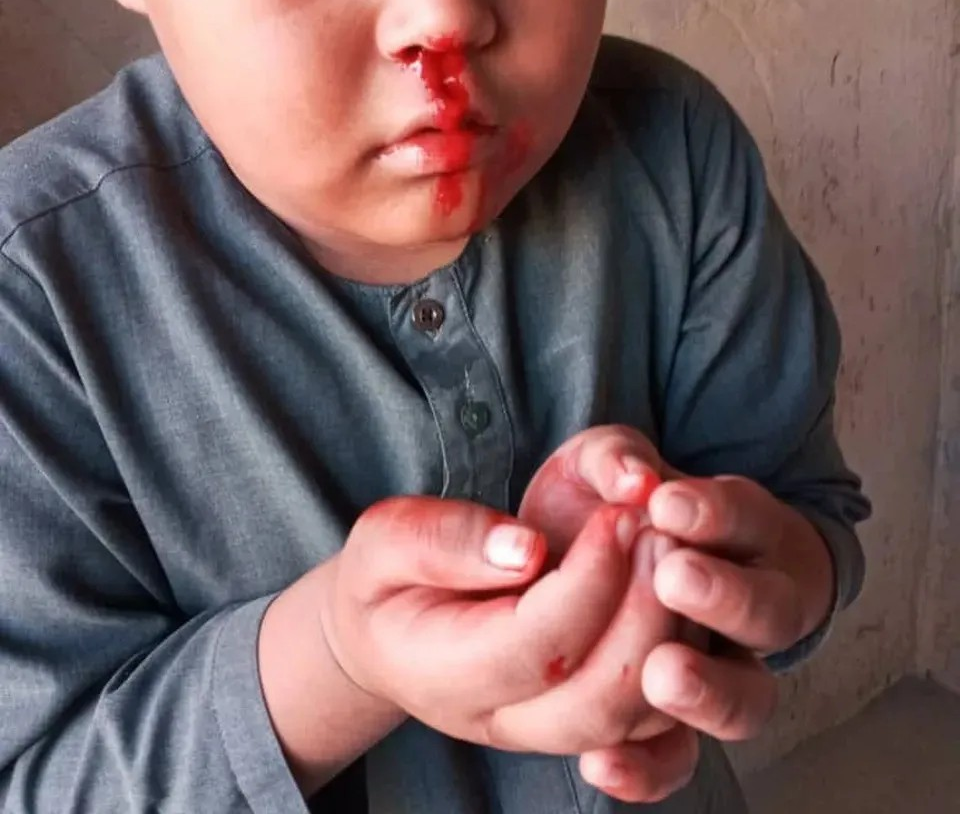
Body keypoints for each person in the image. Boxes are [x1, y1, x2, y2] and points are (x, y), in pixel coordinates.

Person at [0, 1, 870, 812]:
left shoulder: (674, 148)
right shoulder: (31, 298)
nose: (445, 20)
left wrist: (760, 584)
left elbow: (803, 506)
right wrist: (340, 660)